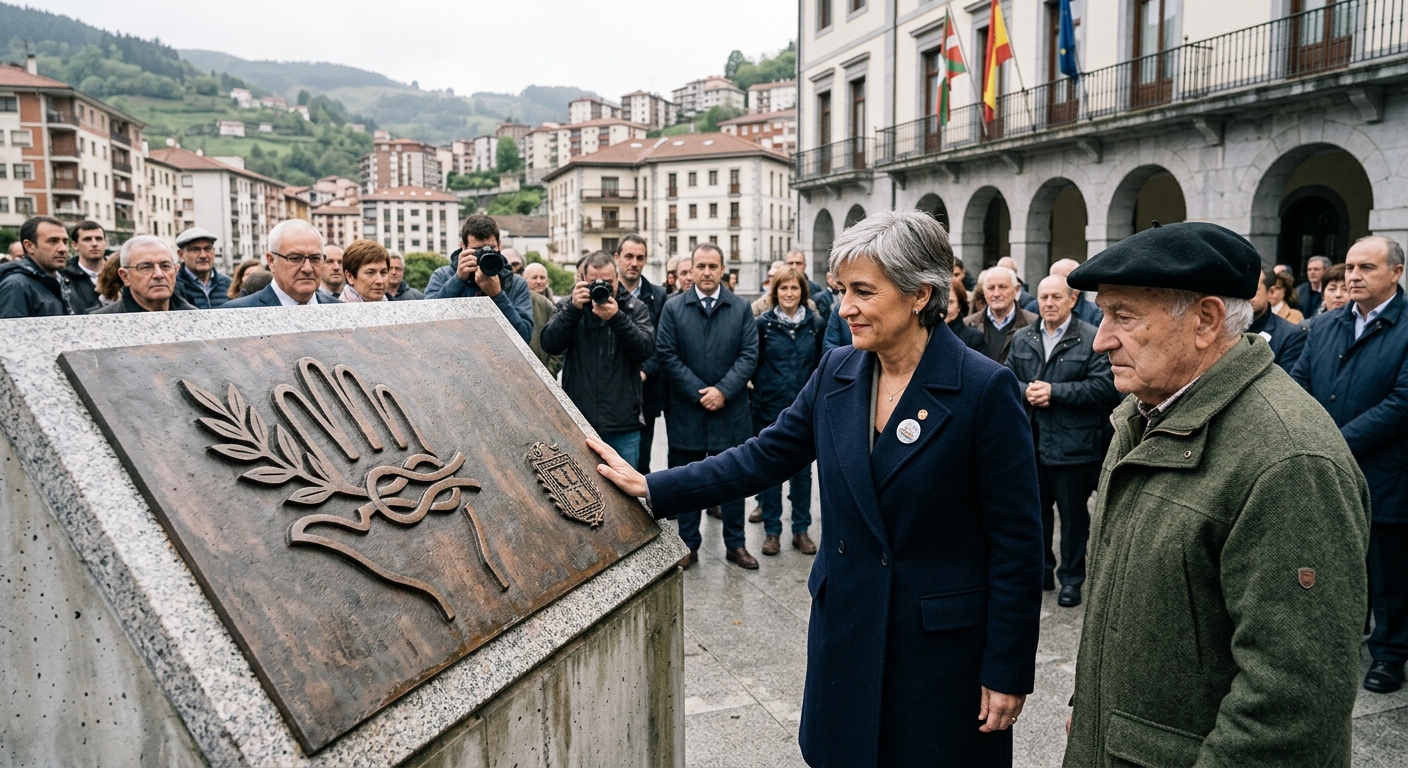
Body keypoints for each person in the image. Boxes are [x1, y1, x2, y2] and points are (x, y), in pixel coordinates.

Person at [590, 210, 1042, 765]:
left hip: (941, 653)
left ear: (920, 294)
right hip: (848, 632)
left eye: (862, 292)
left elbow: (1017, 545)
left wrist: (1006, 668)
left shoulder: (984, 389)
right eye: (840, 290)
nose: (844, 307)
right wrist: (654, 487)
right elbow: (763, 456)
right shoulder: (839, 371)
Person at [1062, 222, 1370, 766]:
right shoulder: (1145, 413)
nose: (1101, 338)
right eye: (1103, 313)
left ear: (1205, 320)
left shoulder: (1289, 459)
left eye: (1124, 316)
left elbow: (1290, 708)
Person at [1291, 235, 1408, 694]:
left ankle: (1390, 654)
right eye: (1351, 267)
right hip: (1328, 469)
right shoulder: (1326, 324)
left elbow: (1401, 403)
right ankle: (1334, 640)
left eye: (1367, 268)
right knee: (1332, 562)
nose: (1354, 276)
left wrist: (1334, 441)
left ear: (1395, 274)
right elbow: (1299, 381)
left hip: (1385, 471)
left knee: (1387, 572)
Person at [1004, 275, 1118, 607]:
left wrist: (1055, 392)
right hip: (1032, 442)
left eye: (1056, 296)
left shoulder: (1089, 337)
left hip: (1074, 445)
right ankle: (1042, 572)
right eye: (1043, 297)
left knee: (1072, 518)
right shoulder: (1023, 337)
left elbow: (1105, 387)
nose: (1048, 303)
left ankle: (1072, 578)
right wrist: (1027, 390)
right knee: (1036, 514)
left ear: (1072, 299)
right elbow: (1007, 377)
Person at [653, 243, 760, 570]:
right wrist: (701, 393)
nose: (707, 272)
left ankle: (736, 545)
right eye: (701, 266)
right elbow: (667, 355)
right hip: (689, 411)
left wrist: (723, 391)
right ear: (692, 268)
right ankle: (688, 544)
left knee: (733, 480)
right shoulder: (673, 308)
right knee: (687, 481)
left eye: (713, 266)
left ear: (723, 269)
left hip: (730, 412)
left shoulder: (741, 308)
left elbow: (749, 356)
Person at [540, 250, 655, 467]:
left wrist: (616, 318)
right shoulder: (569, 305)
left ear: (617, 279)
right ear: (582, 280)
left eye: (608, 281)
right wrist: (573, 310)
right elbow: (549, 343)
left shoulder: (633, 307)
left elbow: (646, 349)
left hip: (623, 423)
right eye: (594, 282)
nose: (601, 286)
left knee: (627, 495)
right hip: (579, 421)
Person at [750, 267, 825, 556]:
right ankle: (772, 531)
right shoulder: (763, 325)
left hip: (803, 410)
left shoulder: (814, 323)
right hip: (769, 407)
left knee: (802, 474)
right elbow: (754, 363)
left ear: (802, 292)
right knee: (770, 472)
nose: (789, 294)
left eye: (794, 288)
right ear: (775, 292)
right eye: (784, 289)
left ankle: (801, 530)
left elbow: (820, 365)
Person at [424, 214, 532, 343]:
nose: (485, 254)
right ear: (463, 246)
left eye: (491, 248)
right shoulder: (442, 276)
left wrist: (497, 295)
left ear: (499, 246)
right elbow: (427, 323)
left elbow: (524, 336)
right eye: (477, 250)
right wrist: (458, 279)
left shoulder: (516, 283)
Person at [616, 235, 668, 474]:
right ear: (617, 258)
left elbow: (663, 342)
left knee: (641, 465)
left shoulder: (659, 296)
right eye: (628, 256)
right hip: (609, 390)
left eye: (640, 257)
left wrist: (645, 372)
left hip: (645, 392)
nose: (634, 263)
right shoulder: (603, 292)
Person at [222, 220, 342, 308]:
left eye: (315, 258)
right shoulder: (235, 313)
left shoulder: (340, 311)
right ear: (271, 261)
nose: (307, 268)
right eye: (295, 258)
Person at [90, 236, 197, 314]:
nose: (158, 274)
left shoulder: (194, 318)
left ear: (176, 270)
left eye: (165, 266)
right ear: (125, 276)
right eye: (146, 267)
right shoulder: (102, 322)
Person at [0, 216, 77, 318]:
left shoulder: (59, 280)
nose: (63, 248)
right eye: (53, 241)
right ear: (29, 246)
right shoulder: (16, 286)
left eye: (65, 242)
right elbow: (12, 332)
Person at [965, 266, 1037, 364]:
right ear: (984, 291)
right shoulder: (968, 324)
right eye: (991, 288)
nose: (996, 294)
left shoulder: (1033, 324)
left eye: (1002, 287)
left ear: (1016, 290)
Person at [1248, 265, 1308, 373]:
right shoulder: (1225, 328)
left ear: (1271, 292)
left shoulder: (1290, 335)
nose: (1245, 296)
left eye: (1252, 290)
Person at [1023, 258, 1103, 327]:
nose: (1049, 304)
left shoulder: (1094, 314)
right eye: (1055, 277)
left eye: (1066, 278)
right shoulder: (1033, 309)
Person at [173, 227, 231, 309]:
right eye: (195, 249)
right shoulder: (174, 287)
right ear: (181, 254)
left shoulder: (228, 284)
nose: (203, 255)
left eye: (207, 249)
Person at [62, 220, 106, 314]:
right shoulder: (64, 278)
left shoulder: (121, 273)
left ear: (105, 242)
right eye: (87, 239)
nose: (94, 244)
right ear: (75, 245)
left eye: (99, 239)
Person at [785, 247, 834, 320]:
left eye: (798, 263)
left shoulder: (814, 288)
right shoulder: (778, 287)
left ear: (804, 266)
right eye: (790, 263)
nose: (794, 267)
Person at [1301, 263, 1349, 331]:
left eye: (1345, 289)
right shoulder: (1307, 327)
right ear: (1323, 294)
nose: (1338, 295)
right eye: (1332, 289)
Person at [947, 280, 986, 352]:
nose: (945, 307)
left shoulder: (974, 338)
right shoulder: (926, 335)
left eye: (950, 302)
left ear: (959, 306)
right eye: (941, 301)